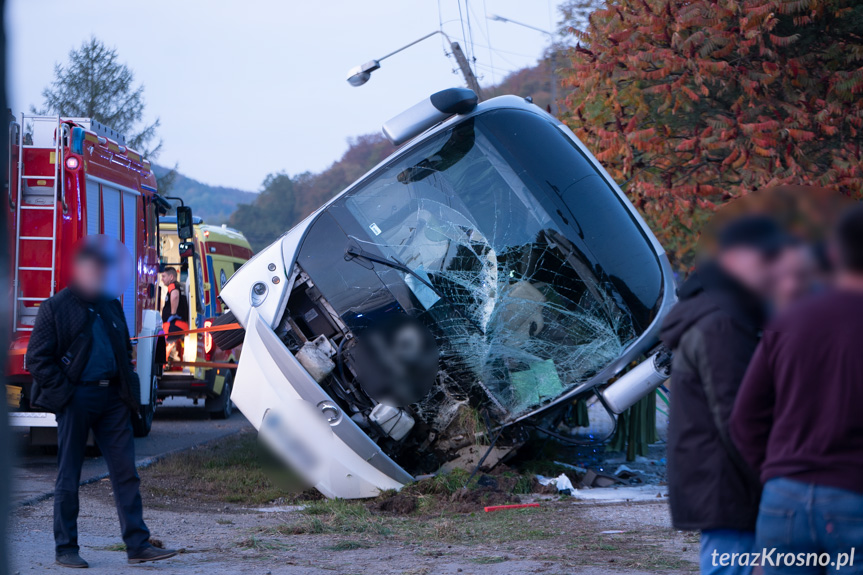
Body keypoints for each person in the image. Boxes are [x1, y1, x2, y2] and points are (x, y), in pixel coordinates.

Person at [26, 237, 178, 568]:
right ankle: (66, 548)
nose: (98, 272)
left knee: (126, 473)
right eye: (92, 267)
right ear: (79, 269)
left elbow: (124, 351)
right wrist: (65, 393)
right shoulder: (55, 307)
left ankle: (138, 545)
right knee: (69, 474)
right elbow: (36, 359)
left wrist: (127, 394)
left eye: (102, 267)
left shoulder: (110, 304)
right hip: (76, 397)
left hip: (112, 400)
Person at [730, 205, 863, 574]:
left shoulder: (790, 318)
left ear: (834, 253)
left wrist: (779, 472)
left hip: (784, 495)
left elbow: (744, 418)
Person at [660, 215, 789, 575]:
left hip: (721, 482)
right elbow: (739, 416)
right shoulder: (724, 323)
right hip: (729, 486)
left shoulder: (720, 313)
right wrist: (775, 484)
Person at [160, 266, 189, 363]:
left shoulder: (172, 286)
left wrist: (172, 314)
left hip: (173, 325)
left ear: (171, 277)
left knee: (164, 345)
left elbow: (175, 296)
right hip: (181, 324)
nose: (162, 279)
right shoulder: (180, 286)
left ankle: (163, 366)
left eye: (164, 276)